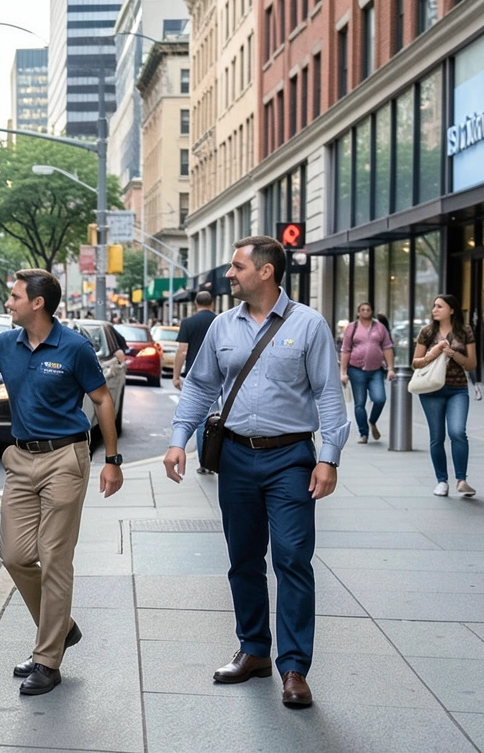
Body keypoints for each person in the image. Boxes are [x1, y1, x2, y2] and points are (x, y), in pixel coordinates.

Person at [164, 236, 349, 710]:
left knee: (292, 559)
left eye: (237, 266)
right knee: (243, 557)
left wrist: (329, 456)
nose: (229, 274)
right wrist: (177, 440)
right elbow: (201, 386)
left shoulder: (308, 325)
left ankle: (294, 668)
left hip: (290, 458)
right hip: (235, 459)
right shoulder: (223, 326)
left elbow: (329, 394)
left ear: (265, 272)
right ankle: (253, 651)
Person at [0, 269, 123, 696]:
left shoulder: (74, 347)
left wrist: (112, 460)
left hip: (65, 459)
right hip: (20, 460)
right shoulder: (4, 344)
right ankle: (63, 627)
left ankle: (47, 659)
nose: (8, 302)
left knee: (55, 559)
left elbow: (102, 399)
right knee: (15, 556)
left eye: (14, 296)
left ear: (37, 303)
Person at [412, 294, 477, 497]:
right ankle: (442, 481)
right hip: (431, 390)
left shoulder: (465, 331)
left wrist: (453, 354)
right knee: (437, 436)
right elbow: (415, 362)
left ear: (452, 309)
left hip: (458, 389)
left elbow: (472, 364)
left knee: (458, 432)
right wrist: (432, 354)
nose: (435, 309)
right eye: (434, 306)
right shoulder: (427, 332)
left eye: (440, 306)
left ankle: (461, 480)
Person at [172, 290, 219, 473]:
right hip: (219, 376)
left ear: (195, 305)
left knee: (202, 421)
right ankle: (217, 460)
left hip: (196, 377)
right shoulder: (220, 321)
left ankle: (205, 463)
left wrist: (176, 376)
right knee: (218, 418)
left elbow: (182, 351)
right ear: (212, 304)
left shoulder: (188, 323)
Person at [339, 302, 395, 444]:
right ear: (358, 312)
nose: (365, 312)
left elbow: (387, 348)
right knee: (359, 404)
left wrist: (391, 369)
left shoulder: (379, 327)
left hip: (376, 370)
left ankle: (372, 421)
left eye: (368, 309)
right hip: (356, 370)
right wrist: (343, 372)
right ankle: (363, 433)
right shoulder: (352, 328)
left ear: (372, 311)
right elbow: (345, 350)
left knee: (380, 398)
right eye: (362, 310)